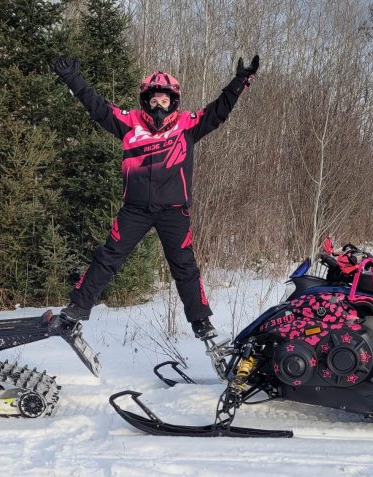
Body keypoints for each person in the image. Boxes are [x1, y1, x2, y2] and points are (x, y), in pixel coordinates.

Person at [52, 54, 260, 340]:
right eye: (153, 100)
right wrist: (72, 79)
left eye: (164, 101)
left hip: (174, 210)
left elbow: (219, 111)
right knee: (108, 257)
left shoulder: (187, 124)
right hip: (135, 209)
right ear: (145, 101)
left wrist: (241, 80)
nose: (158, 106)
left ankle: (200, 320)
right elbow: (98, 107)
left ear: (173, 101)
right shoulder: (129, 123)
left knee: (184, 266)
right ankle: (78, 306)